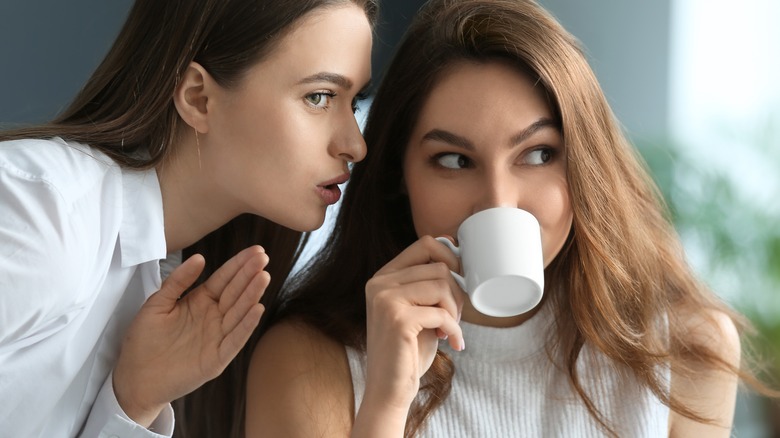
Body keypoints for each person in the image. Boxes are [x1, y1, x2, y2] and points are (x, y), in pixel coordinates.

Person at [243, 0, 777, 436]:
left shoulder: (684, 347)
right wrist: (386, 401)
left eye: (539, 154)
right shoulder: (307, 361)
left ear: (584, 164)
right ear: (397, 178)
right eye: (454, 161)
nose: (499, 201)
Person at [0, 0, 376, 436]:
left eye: (355, 101)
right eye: (319, 97)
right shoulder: (41, 214)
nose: (355, 144)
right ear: (199, 97)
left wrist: (133, 402)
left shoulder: (185, 283)